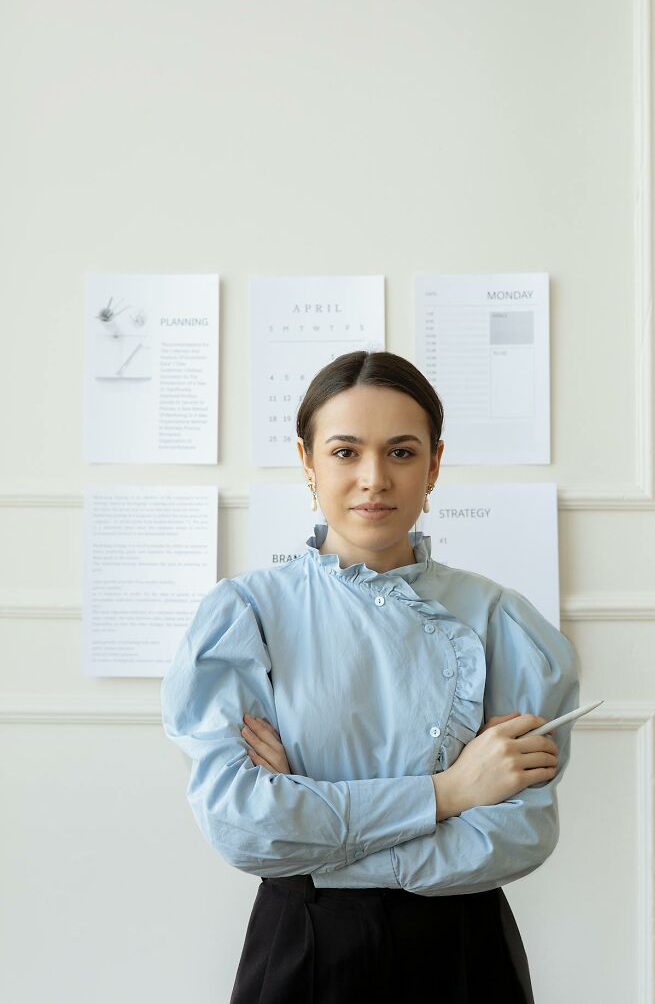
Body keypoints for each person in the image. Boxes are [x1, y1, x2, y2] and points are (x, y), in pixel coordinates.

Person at [160, 350, 580, 1003]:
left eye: (403, 453)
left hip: (463, 951)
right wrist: (448, 792)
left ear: (435, 464)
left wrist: (316, 837)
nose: (374, 478)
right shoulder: (246, 616)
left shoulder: (503, 621)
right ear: (307, 462)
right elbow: (244, 825)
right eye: (346, 452)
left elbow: (519, 833)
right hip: (302, 948)